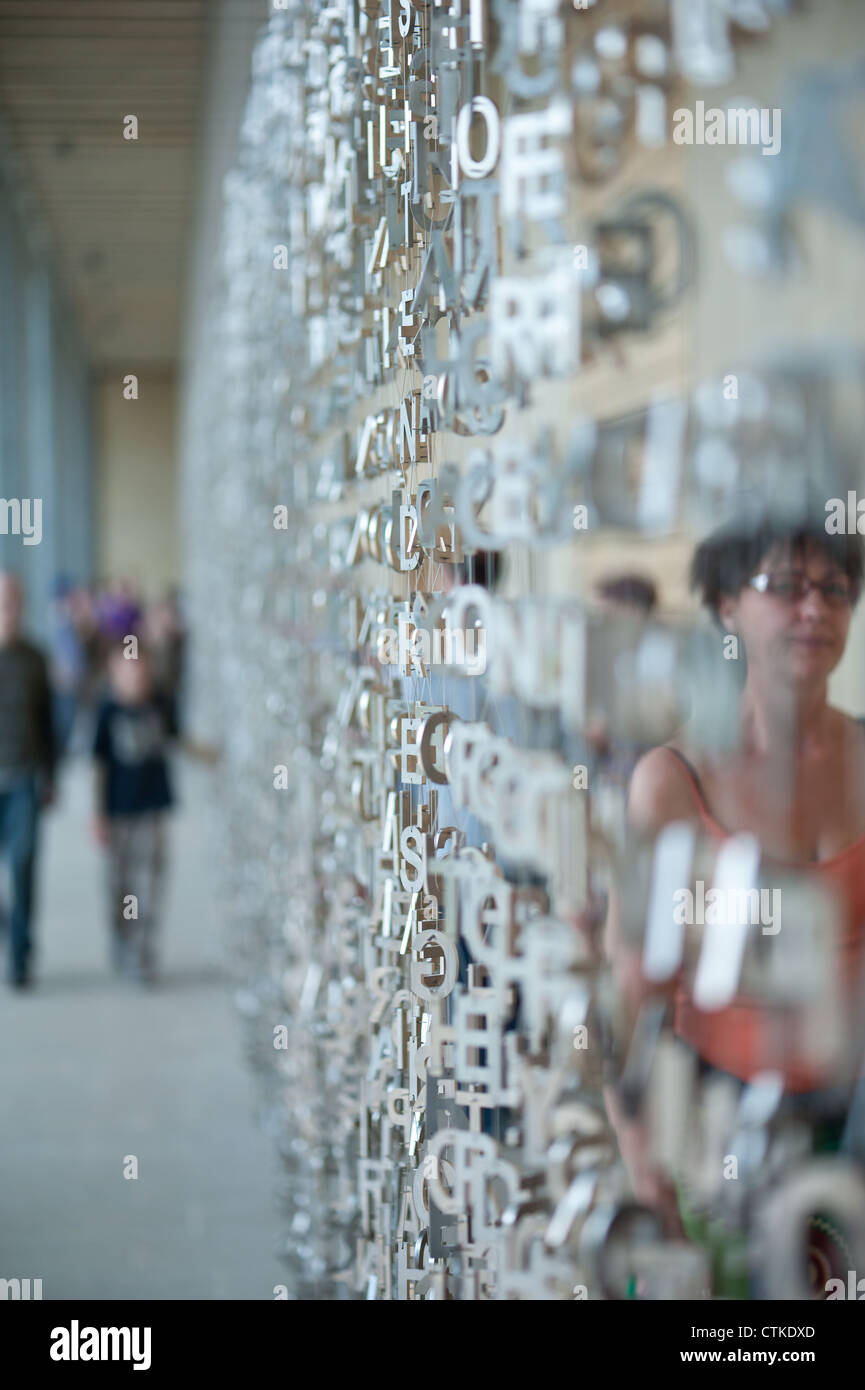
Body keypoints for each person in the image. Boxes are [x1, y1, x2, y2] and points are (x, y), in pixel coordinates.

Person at [607, 505, 865, 1291]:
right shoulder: (674, 783)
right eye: (783, 587)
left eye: (834, 587)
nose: (813, 608)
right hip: (718, 1127)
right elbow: (628, 1001)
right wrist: (643, 1169)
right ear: (726, 605)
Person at [92, 644, 177, 984]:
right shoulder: (108, 711)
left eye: (141, 671)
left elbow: (177, 738)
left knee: (149, 882)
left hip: (151, 811)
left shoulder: (160, 703)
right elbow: (97, 765)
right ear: (114, 674)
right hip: (118, 813)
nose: (135, 678)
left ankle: (142, 952)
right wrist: (97, 814)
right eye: (127, 671)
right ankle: (123, 939)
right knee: (122, 885)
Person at [0, 571, 56, 987]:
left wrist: (50, 776)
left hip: (23, 780)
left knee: (22, 866)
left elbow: (48, 722)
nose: (9, 612)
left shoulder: (36, 659)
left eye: (14, 603)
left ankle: (20, 954)